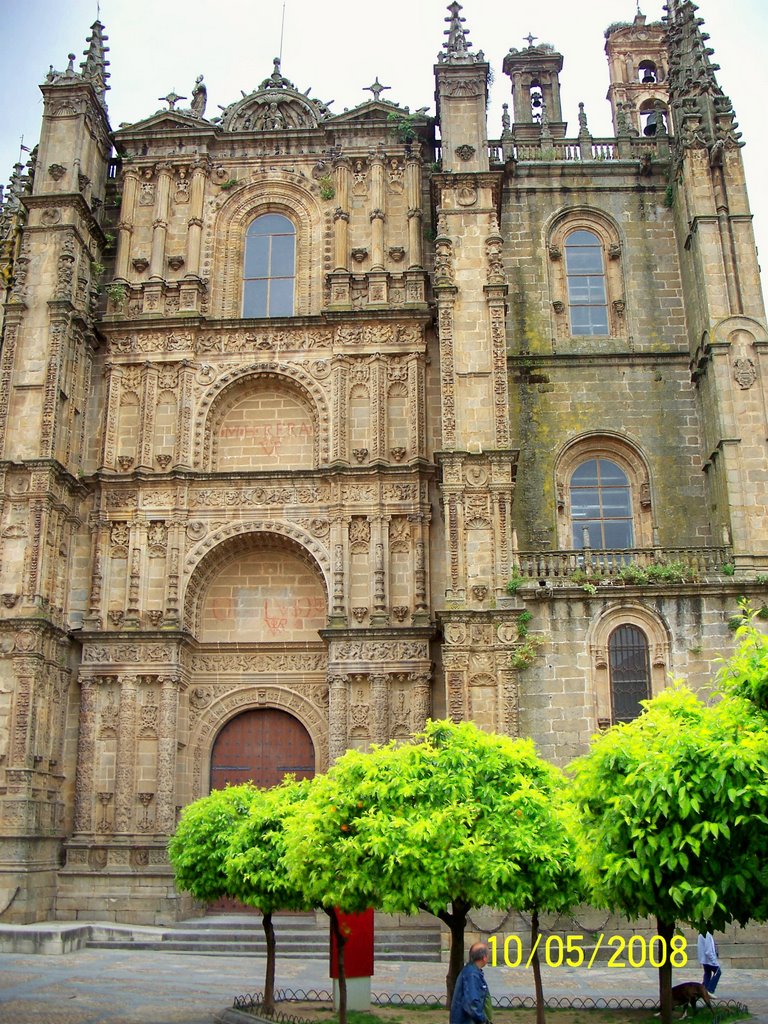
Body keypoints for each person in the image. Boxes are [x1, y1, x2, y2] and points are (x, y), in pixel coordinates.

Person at [450, 942, 492, 1024]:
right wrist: (483, 1020)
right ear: (484, 958)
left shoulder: (472, 971)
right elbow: (472, 1004)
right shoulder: (472, 974)